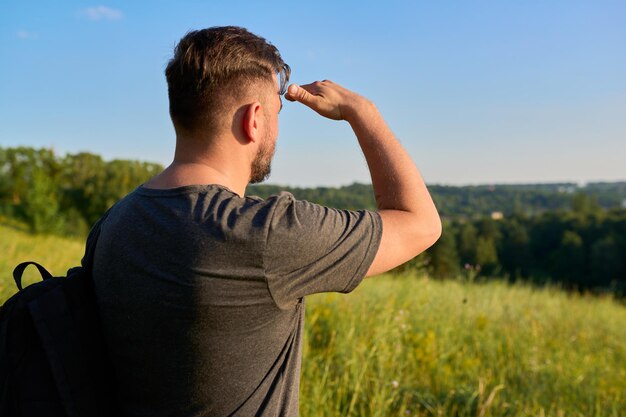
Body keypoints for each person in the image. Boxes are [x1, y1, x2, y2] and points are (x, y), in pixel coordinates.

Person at [92, 26, 441, 417]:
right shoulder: (262, 234)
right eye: (277, 112)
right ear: (254, 120)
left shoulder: (114, 223)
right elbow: (421, 223)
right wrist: (363, 112)